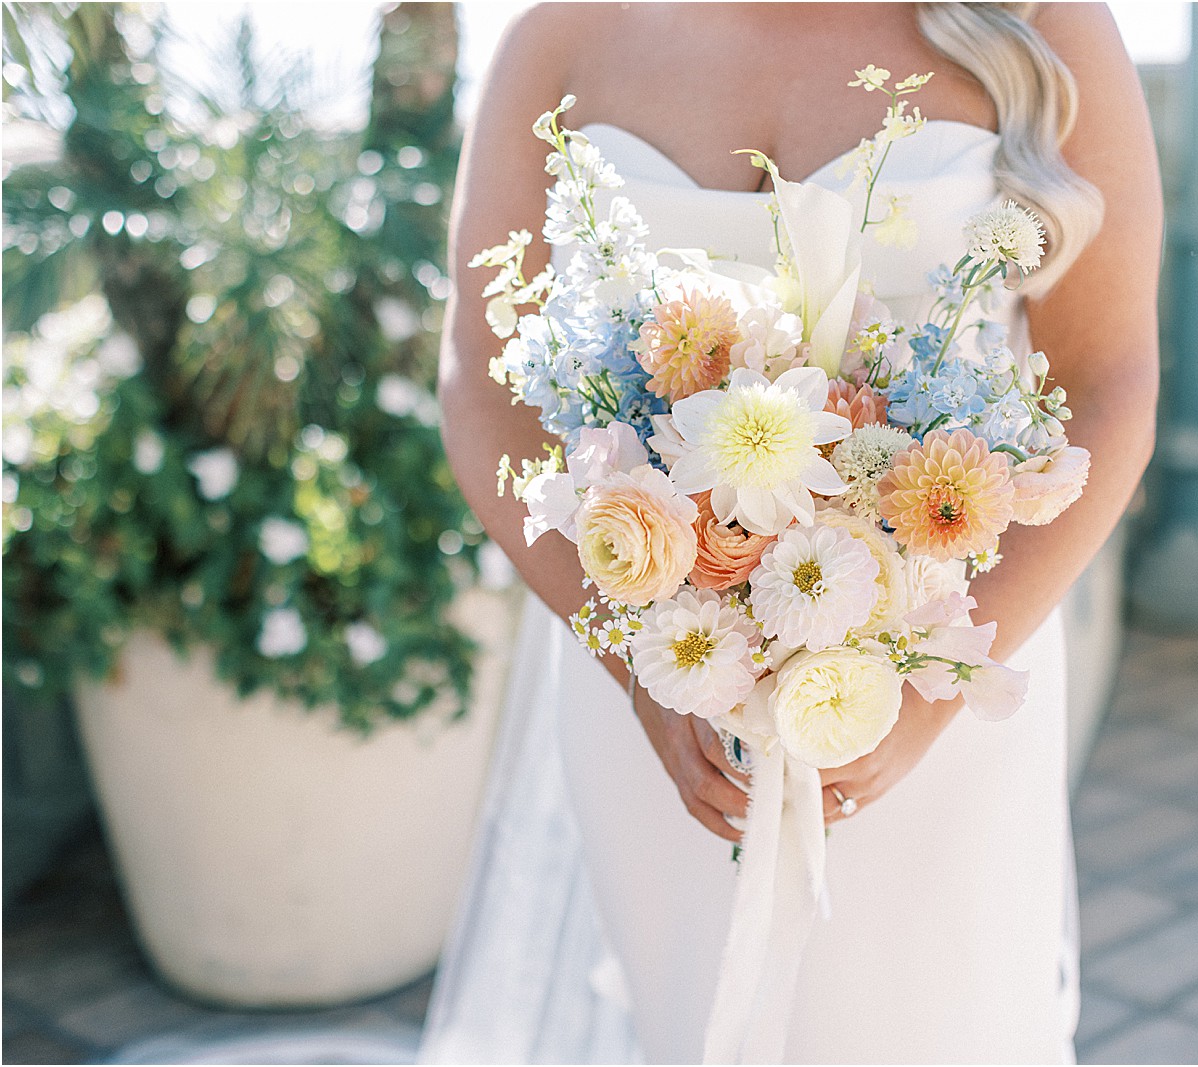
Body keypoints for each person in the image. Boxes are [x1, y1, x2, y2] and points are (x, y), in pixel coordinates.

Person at [423, 3, 1160, 1062]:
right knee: (689, 1015)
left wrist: (934, 680)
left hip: (940, 670)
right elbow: (482, 384)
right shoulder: (562, 32)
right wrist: (633, 659)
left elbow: (1110, 384)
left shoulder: (1039, 20)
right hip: (659, 683)